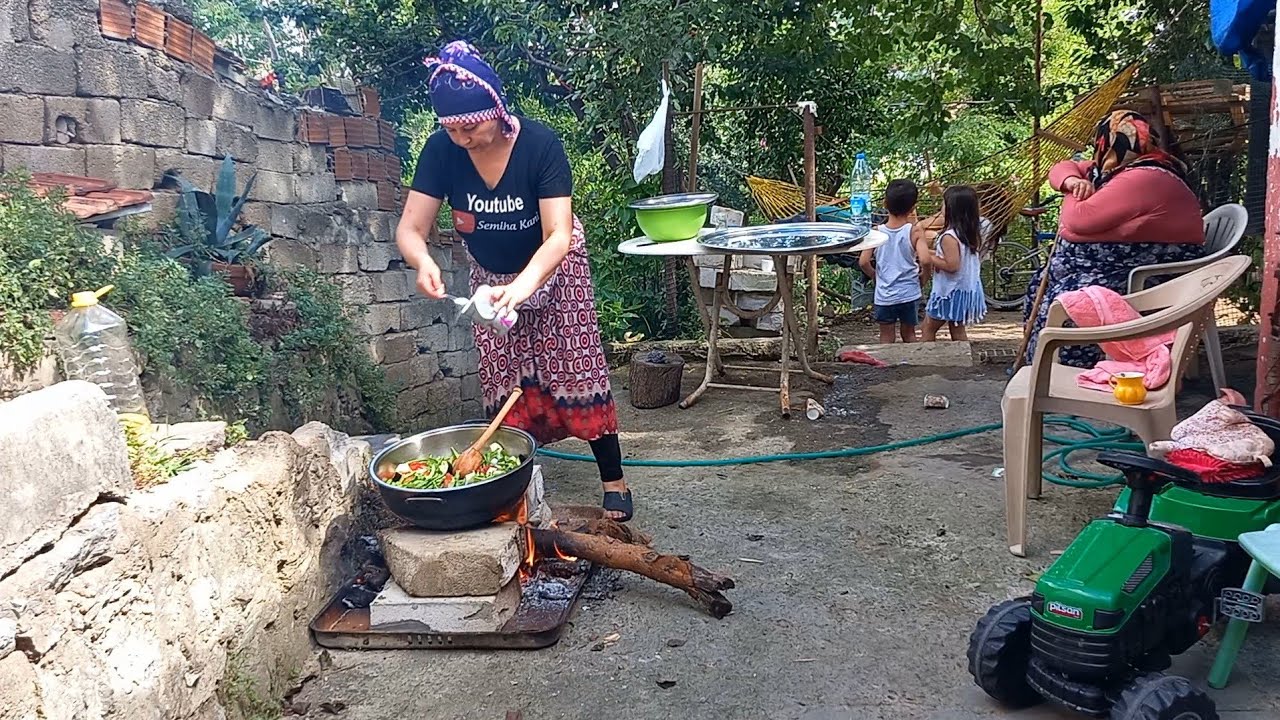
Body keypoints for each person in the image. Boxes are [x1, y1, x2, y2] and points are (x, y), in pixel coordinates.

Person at [394, 41, 633, 521]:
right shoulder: (442, 151)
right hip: (490, 280)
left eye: (470, 126)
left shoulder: (540, 145)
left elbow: (558, 234)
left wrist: (522, 289)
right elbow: (410, 228)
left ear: (497, 111)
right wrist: (422, 261)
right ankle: (513, 486)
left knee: (578, 372)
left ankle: (615, 481)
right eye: (452, 129)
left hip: (556, 272)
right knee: (505, 381)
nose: (463, 139)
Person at [1022, 109, 1205, 368]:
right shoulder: (1119, 168)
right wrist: (1073, 181)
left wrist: (1073, 194)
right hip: (1126, 265)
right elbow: (1061, 168)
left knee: (1073, 297)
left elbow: (1075, 222)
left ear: (1106, 143)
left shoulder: (1146, 176)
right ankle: (1042, 367)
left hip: (1154, 275)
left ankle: (1068, 373)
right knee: (1041, 281)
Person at [859, 179, 924, 344]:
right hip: (909, 293)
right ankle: (913, 360)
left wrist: (875, 276)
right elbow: (926, 260)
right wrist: (924, 278)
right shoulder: (915, 232)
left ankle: (885, 361)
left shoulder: (875, 233)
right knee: (909, 334)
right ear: (913, 208)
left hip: (885, 295)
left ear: (885, 203)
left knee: (886, 336)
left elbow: (863, 262)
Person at [920, 185, 986, 342]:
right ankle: (963, 356)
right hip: (965, 290)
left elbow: (952, 265)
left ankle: (924, 355)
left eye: (943, 204)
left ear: (952, 209)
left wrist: (928, 257)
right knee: (957, 329)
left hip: (950, 293)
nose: (941, 207)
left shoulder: (949, 237)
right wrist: (931, 253)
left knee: (928, 327)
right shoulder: (969, 233)